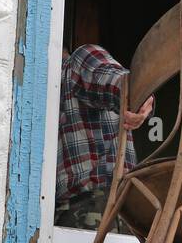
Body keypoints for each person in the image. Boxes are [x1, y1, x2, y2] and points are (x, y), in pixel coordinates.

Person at [55, 43, 154, 229]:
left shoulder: (76, 62)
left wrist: (134, 94)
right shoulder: (39, 96)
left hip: (97, 205)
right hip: (69, 214)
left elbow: (113, 79)